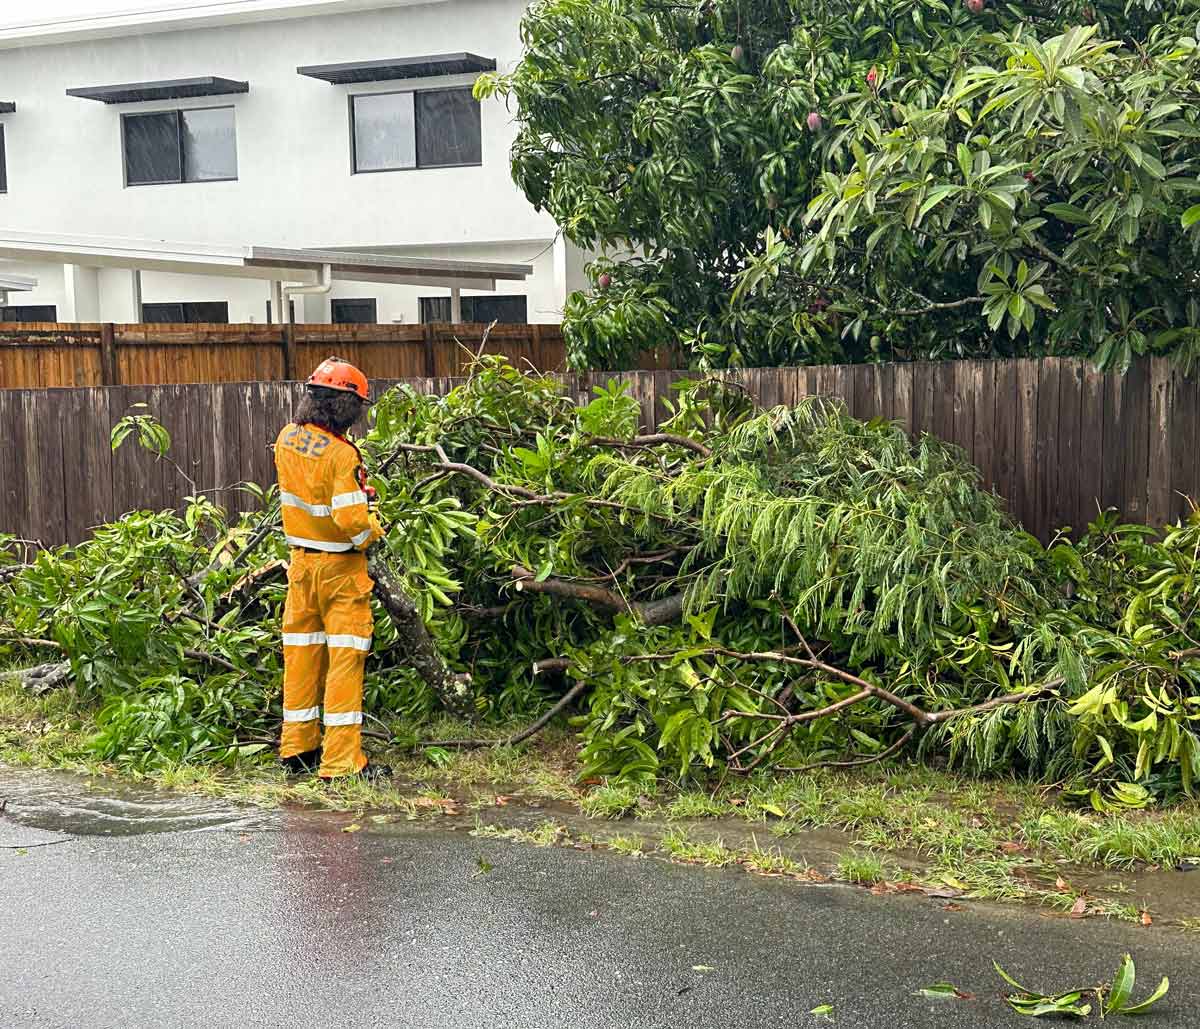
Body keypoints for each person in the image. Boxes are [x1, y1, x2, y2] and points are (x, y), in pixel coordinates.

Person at [274, 357, 386, 780]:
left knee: (301, 659)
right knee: (344, 661)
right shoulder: (343, 455)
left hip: (300, 567)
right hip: (340, 572)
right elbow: (352, 521)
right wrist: (376, 529)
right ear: (345, 406)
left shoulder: (286, 438)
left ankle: (297, 751)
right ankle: (341, 763)